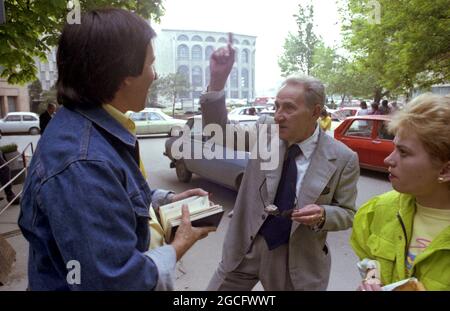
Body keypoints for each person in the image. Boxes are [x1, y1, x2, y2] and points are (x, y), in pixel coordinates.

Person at [18, 8, 215, 291]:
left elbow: (118, 193)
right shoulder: (83, 163)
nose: (155, 75)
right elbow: (116, 282)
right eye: (151, 63)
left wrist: (162, 200)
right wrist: (180, 244)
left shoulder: (95, 128)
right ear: (124, 75)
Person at [202, 34, 359, 290]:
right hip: (245, 248)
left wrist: (323, 215)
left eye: (288, 108)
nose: (278, 116)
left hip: (295, 260)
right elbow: (215, 130)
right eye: (276, 106)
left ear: (316, 112)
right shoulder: (265, 134)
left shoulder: (343, 158)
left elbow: (348, 213)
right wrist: (217, 81)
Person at [351, 93, 450, 291]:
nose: (388, 160)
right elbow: (369, 261)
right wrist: (371, 281)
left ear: (445, 170)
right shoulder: (378, 210)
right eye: (394, 147)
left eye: (403, 152)